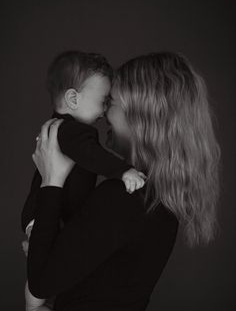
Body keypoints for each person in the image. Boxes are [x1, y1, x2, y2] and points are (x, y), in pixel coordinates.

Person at [25, 52, 220, 311]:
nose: (104, 112)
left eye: (111, 102)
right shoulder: (158, 199)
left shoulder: (122, 197)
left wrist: (51, 180)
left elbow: (38, 286)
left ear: (140, 117)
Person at [22, 51, 146, 311]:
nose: (104, 111)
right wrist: (123, 171)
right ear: (73, 98)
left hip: (50, 213)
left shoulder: (63, 129)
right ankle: (34, 303)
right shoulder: (69, 130)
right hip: (46, 214)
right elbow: (93, 156)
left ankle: (37, 301)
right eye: (103, 101)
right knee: (43, 273)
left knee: (50, 265)